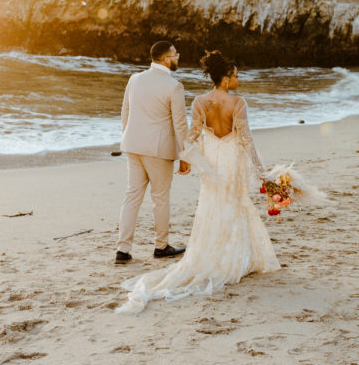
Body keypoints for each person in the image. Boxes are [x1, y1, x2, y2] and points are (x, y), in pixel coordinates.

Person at [116, 50, 280, 313]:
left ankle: (204, 255)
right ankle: (229, 257)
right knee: (233, 204)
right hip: (231, 161)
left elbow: (191, 136)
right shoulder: (238, 103)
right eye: (236, 75)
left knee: (211, 206)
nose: (238, 80)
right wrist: (262, 172)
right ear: (226, 79)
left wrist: (189, 159)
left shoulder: (200, 101)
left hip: (211, 162)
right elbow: (246, 140)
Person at [115, 41, 192, 265]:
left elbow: (125, 111)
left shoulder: (135, 79)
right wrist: (185, 155)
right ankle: (161, 246)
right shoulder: (174, 86)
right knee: (160, 199)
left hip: (132, 145)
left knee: (131, 197)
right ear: (167, 59)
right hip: (158, 151)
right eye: (176, 54)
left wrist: (128, 137)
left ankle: (123, 249)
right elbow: (180, 124)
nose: (178, 57)